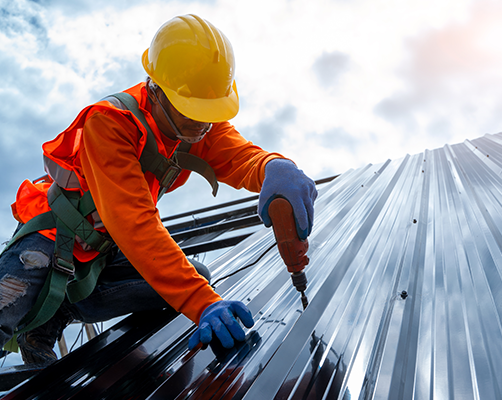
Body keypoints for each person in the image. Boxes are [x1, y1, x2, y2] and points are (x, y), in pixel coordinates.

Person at [0, 14, 317, 365]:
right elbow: (135, 225)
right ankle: (37, 315)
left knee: (198, 279)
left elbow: (242, 157)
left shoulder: (195, 126)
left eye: (208, 114)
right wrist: (203, 303)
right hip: (53, 233)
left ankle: (62, 309)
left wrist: (274, 167)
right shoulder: (109, 124)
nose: (201, 126)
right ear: (156, 89)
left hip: (101, 250)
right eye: (190, 113)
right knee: (5, 302)